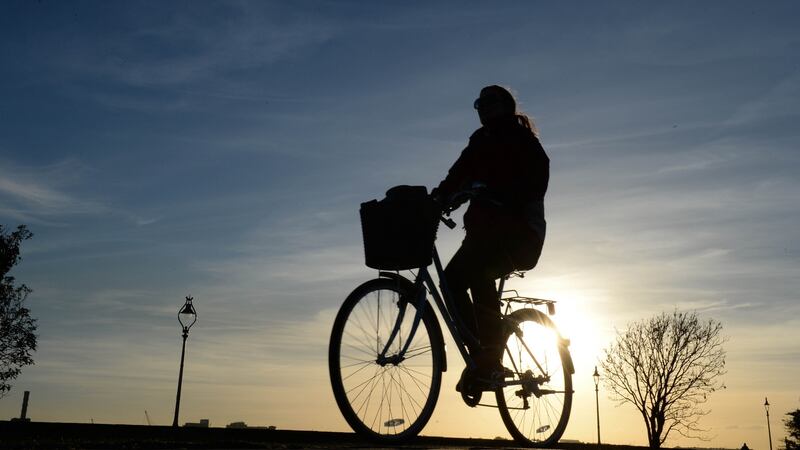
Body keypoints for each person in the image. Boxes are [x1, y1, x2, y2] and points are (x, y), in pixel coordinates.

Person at [432, 85, 549, 390]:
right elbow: (459, 173)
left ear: (506, 106)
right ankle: (483, 353)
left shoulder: (522, 141)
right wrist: (439, 197)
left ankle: (490, 357)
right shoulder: (480, 141)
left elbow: (537, 177)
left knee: (473, 273)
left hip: (519, 236)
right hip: (483, 236)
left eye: (490, 101)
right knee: (452, 281)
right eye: (479, 103)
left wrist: (504, 194)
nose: (484, 107)